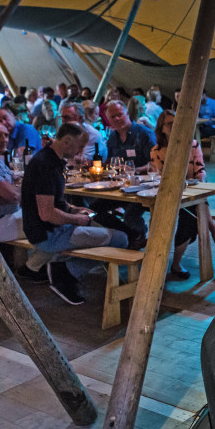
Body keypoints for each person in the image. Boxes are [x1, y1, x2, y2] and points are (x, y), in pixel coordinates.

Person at [19, 123, 128, 305]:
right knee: (120, 239)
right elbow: (47, 214)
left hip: (48, 229)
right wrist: (77, 219)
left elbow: (53, 203)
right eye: (80, 146)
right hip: (49, 235)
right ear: (68, 141)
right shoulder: (46, 166)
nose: (81, 151)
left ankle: (62, 269)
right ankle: (66, 273)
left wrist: (72, 209)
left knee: (100, 225)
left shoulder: (49, 159)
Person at [149, 110, 215, 280]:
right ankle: (213, 227)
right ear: (162, 128)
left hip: (190, 191)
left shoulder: (192, 145)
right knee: (194, 210)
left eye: (176, 122)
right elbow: (158, 176)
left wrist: (199, 184)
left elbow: (200, 170)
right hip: (167, 194)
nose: (174, 126)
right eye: (169, 124)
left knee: (191, 213)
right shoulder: (157, 150)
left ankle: (176, 264)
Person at [90, 100, 156, 249]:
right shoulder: (113, 137)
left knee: (130, 215)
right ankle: (131, 234)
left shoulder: (144, 134)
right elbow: (110, 161)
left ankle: (136, 233)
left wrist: (135, 170)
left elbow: (155, 164)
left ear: (127, 113)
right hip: (120, 188)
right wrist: (95, 167)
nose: (117, 119)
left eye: (120, 114)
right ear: (108, 119)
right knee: (92, 210)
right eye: (113, 117)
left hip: (143, 188)